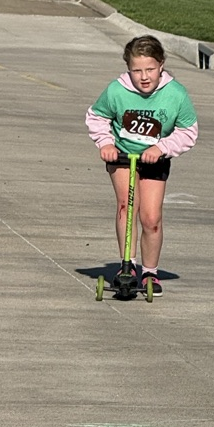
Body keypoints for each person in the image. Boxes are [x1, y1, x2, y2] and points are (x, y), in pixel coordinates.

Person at [85, 35, 198, 296]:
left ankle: (150, 271)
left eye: (149, 69)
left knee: (151, 218)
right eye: (136, 70)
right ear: (128, 69)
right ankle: (128, 266)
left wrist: (161, 148)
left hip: (155, 159)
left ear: (161, 65)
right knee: (126, 205)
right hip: (122, 156)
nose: (143, 76)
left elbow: (188, 131)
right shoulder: (116, 90)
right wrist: (106, 143)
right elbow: (97, 116)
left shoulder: (176, 94)